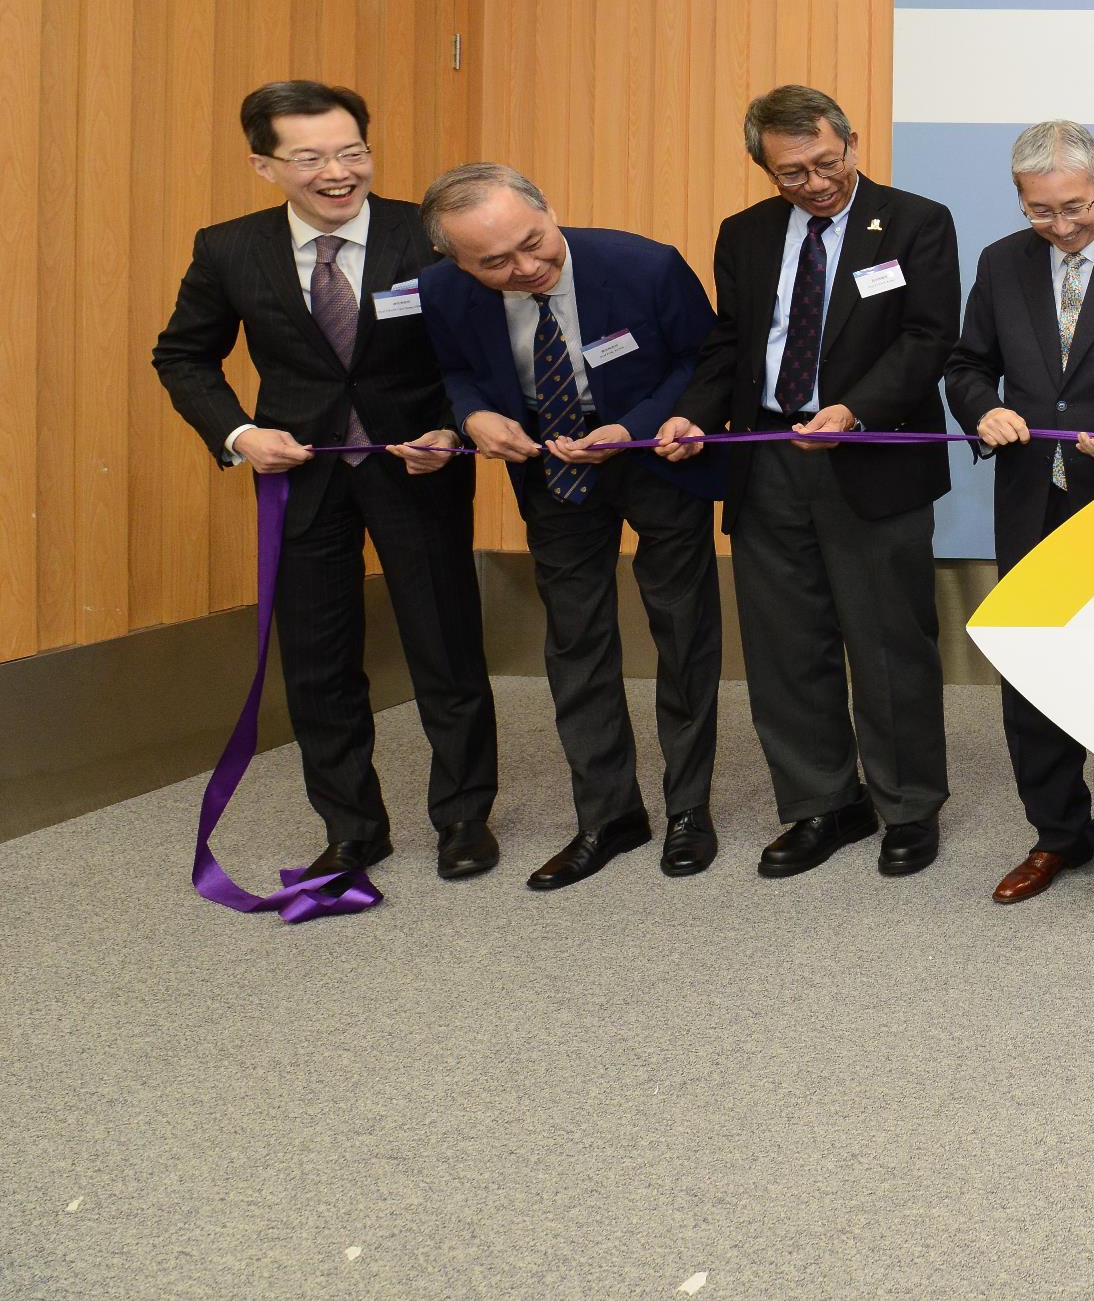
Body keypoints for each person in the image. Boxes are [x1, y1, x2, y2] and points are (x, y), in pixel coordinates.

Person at [150, 81, 499, 884]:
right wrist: (239, 433)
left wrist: (450, 426)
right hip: (299, 479)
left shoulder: (431, 233)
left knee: (445, 645)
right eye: (310, 158)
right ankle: (352, 827)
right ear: (264, 164)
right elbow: (183, 355)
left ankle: (462, 817)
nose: (338, 172)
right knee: (317, 660)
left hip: (419, 467)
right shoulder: (229, 248)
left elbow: (475, 349)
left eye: (353, 152)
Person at [655, 87, 960, 880]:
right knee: (786, 643)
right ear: (764, 166)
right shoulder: (745, 235)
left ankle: (907, 804)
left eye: (828, 161)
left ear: (852, 141)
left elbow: (929, 340)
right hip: (767, 456)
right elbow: (729, 340)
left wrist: (855, 408)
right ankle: (823, 802)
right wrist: (694, 413)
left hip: (870, 453)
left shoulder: (917, 221)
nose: (816, 182)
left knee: (888, 640)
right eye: (793, 173)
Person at [420, 165, 724, 890]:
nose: (525, 267)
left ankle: (688, 808)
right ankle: (609, 814)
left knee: (681, 627)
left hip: (654, 455)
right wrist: (472, 415)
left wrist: (638, 426)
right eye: (495, 262)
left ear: (547, 208)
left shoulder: (643, 264)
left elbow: (703, 357)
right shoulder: (439, 293)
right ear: (458, 262)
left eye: (533, 242)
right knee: (576, 640)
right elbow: (451, 370)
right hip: (550, 462)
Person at [942, 121, 1094, 911]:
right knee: (1030, 670)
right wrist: (984, 410)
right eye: (1041, 212)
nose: (1061, 227)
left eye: (1074, 207)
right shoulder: (1003, 263)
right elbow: (967, 366)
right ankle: (1055, 832)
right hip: (1032, 495)